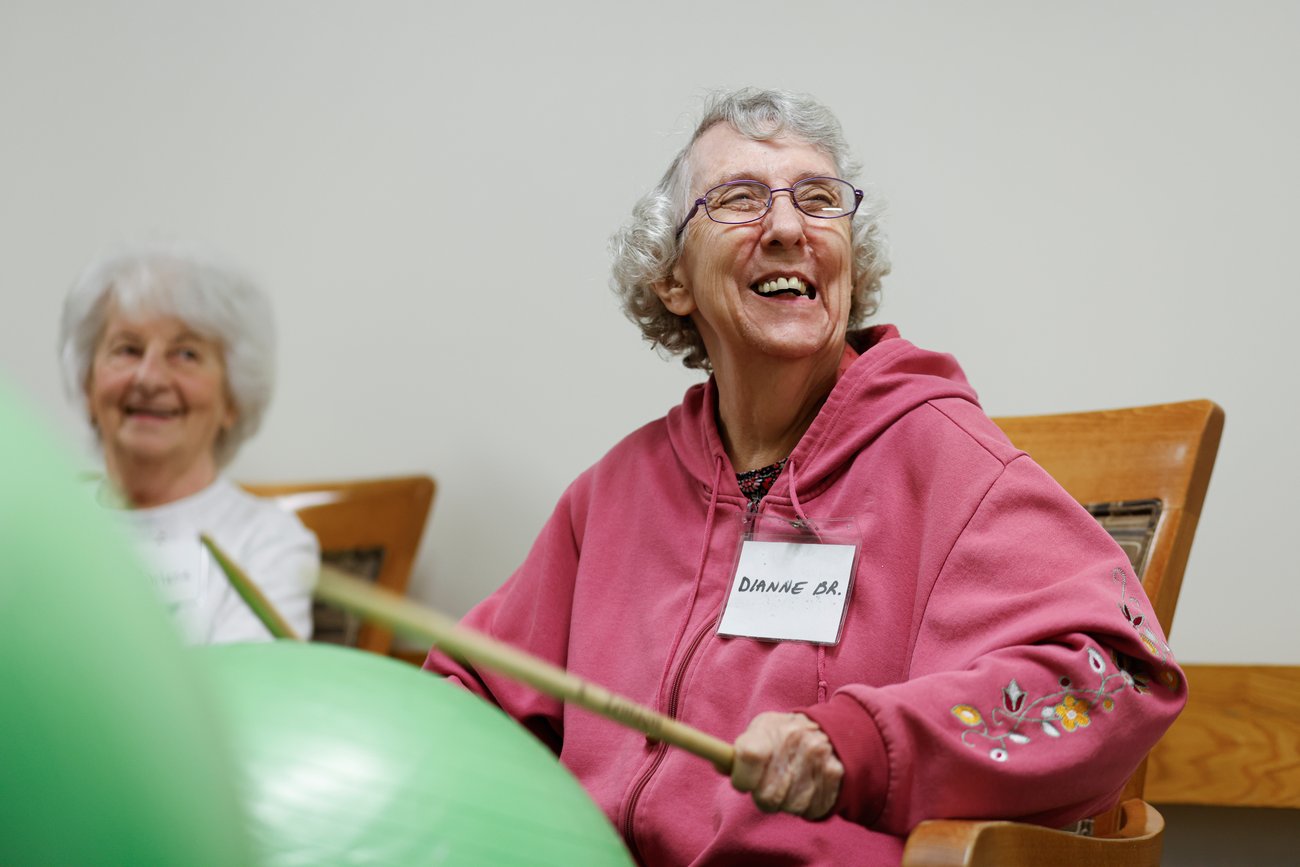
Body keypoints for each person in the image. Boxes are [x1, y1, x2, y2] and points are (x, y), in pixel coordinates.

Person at [423, 89, 1185, 864]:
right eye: (739, 199)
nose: (789, 227)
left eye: (818, 200)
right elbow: (470, 689)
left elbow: (1115, 673)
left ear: (848, 262)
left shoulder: (945, 462)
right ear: (674, 281)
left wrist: (856, 743)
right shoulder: (615, 494)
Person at [59, 243, 318, 644]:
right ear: (88, 385)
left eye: (186, 354)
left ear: (233, 398)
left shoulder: (268, 542)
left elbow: (247, 694)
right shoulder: (41, 522)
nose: (150, 378)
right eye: (127, 349)